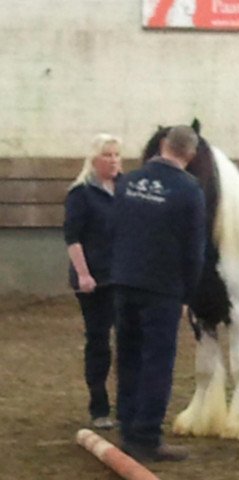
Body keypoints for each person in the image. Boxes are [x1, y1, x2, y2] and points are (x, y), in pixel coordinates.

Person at [111, 125, 206, 462]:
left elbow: (115, 229)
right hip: (162, 288)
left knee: (128, 355)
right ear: (190, 155)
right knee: (157, 362)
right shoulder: (189, 190)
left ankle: (126, 426)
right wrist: (187, 295)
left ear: (163, 145)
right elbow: (194, 250)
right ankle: (147, 437)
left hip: (124, 281)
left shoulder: (127, 182)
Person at [63, 133, 123, 429]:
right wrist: (84, 274)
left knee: (127, 341)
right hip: (95, 281)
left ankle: (127, 404)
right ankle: (99, 406)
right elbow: (73, 238)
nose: (113, 160)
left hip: (123, 277)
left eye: (116, 155)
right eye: (107, 155)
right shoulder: (81, 194)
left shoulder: (126, 189)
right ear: (95, 160)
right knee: (99, 340)